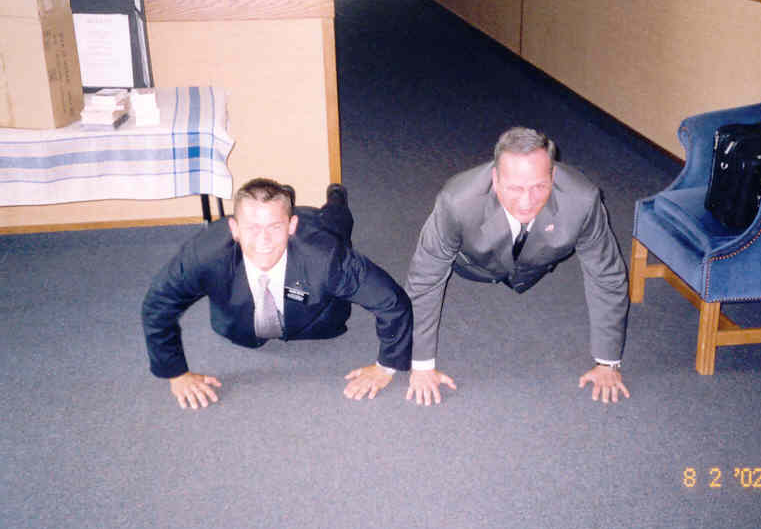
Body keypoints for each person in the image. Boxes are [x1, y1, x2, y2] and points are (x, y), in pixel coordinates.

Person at [405, 127, 629, 405]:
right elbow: (426, 277)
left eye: (539, 187)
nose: (526, 202)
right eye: (515, 188)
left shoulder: (582, 201)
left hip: (537, 263)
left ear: (553, 176)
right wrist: (421, 365)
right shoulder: (457, 201)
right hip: (474, 265)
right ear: (495, 179)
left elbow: (606, 275)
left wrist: (608, 363)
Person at [142, 178, 412, 409]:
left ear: (291, 226)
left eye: (274, 227)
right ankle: (284, 198)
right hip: (238, 329)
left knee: (335, 222)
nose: (263, 241)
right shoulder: (204, 255)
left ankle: (336, 197)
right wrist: (176, 374)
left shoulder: (326, 257)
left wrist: (385, 366)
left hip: (319, 320)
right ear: (234, 229)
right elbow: (158, 305)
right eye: (252, 228)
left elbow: (392, 301)